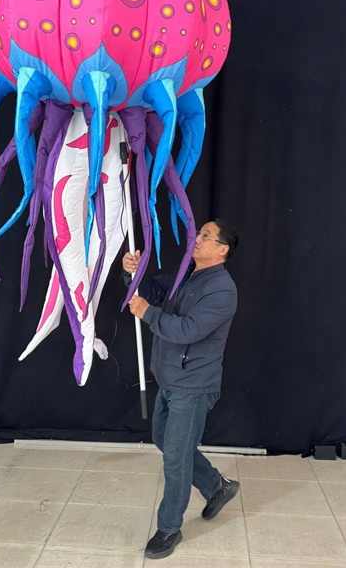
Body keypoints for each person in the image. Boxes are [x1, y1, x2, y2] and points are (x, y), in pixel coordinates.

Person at [123, 218, 240, 560]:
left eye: (205, 235)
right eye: (198, 233)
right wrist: (134, 273)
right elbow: (153, 292)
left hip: (193, 385)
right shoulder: (187, 276)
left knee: (176, 455)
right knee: (165, 439)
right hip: (171, 378)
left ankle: (169, 528)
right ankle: (216, 487)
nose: (196, 238)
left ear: (222, 249)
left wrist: (148, 314)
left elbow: (189, 330)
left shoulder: (222, 290)